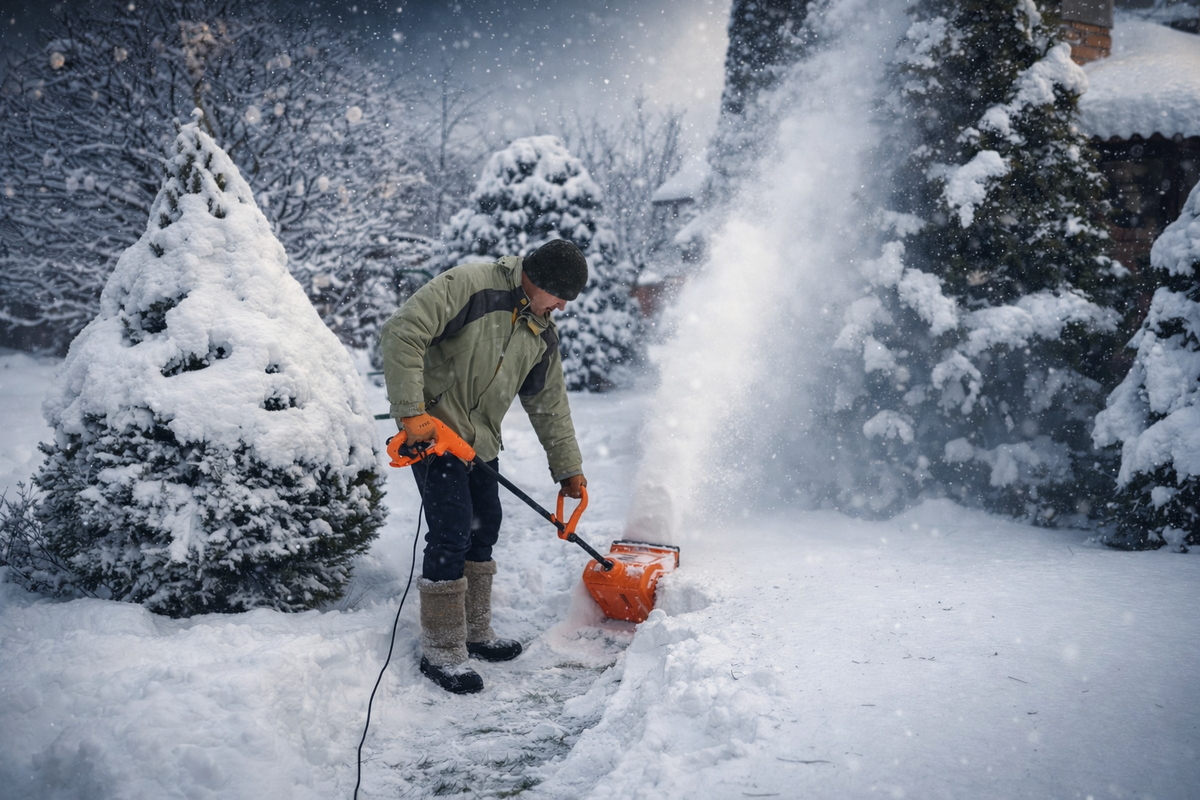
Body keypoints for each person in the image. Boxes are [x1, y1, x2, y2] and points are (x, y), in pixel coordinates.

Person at [380, 239, 588, 694]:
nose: (563, 307)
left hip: (480, 443)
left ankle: (475, 632)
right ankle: (442, 647)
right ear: (541, 282)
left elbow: (549, 403)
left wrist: (567, 466)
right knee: (452, 530)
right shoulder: (472, 286)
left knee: (484, 526)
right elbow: (402, 331)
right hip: (434, 435)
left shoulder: (542, 332)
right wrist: (411, 412)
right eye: (561, 296)